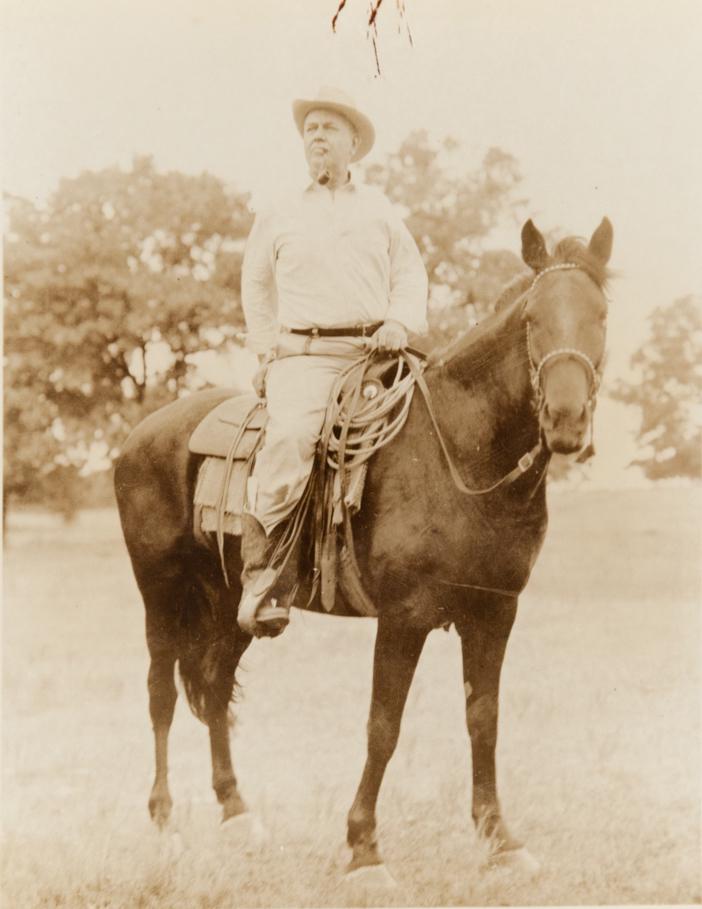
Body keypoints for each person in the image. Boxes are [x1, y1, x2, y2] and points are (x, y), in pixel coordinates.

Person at [238, 85, 428, 636]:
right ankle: (266, 569)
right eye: (310, 129)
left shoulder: (381, 210)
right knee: (293, 436)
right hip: (307, 356)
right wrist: (265, 348)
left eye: (328, 129)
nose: (316, 137)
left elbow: (410, 275)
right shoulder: (278, 210)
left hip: (376, 354)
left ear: (353, 144)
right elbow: (256, 282)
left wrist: (399, 321)